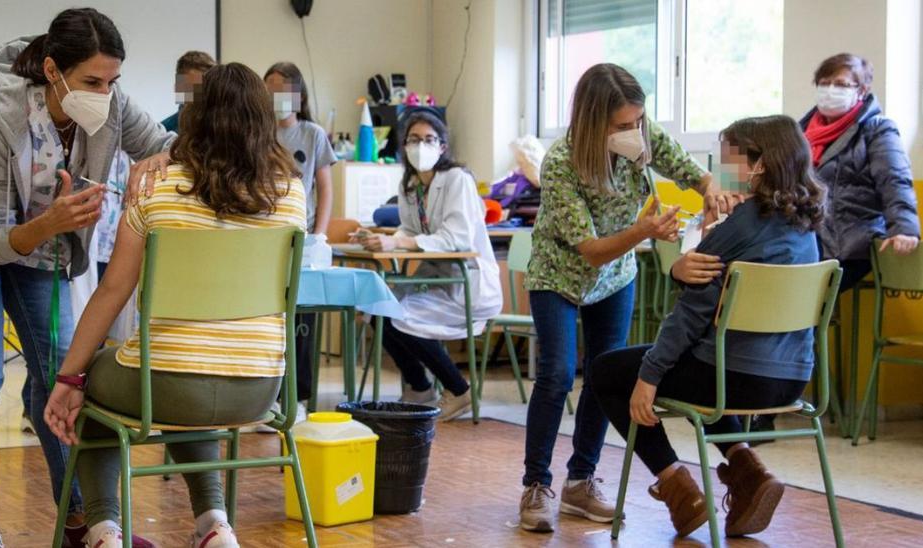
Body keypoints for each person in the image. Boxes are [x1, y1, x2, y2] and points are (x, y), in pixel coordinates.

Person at [0, 8, 173, 548]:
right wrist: (49, 223)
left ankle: (80, 518)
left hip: (37, 234)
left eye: (112, 81)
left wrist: (156, 163)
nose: (105, 93)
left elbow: (164, 147)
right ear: (52, 71)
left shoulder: (110, 103)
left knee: (61, 370)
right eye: (92, 82)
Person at [43, 62, 305, 548]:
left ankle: (103, 530)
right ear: (264, 120)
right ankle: (214, 526)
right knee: (195, 378)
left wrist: (68, 379)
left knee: (94, 387)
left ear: (195, 117)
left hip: (163, 385)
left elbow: (111, 291)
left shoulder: (155, 189)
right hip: (260, 390)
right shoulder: (291, 194)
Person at [590, 115, 827, 538]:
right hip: (793, 381)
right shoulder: (806, 224)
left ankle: (681, 491)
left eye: (726, 158)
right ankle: (748, 470)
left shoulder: (739, 225)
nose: (717, 169)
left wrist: (649, 375)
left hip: (733, 378)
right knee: (707, 366)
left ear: (758, 165)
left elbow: (690, 316)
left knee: (608, 371)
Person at [519, 63, 728, 533]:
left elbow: (692, 172)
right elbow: (590, 251)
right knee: (555, 375)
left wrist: (712, 189)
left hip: (615, 276)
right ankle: (536, 485)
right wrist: (643, 231)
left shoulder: (643, 133)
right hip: (560, 274)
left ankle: (580, 481)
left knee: (603, 373)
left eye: (638, 121)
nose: (634, 132)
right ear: (593, 121)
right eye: (622, 126)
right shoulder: (561, 163)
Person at [744, 53, 921, 437]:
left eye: (843, 84)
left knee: (792, 308)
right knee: (756, 296)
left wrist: (904, 226)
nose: (832, 90)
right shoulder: (800, 129)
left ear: (863, 89)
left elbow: (896, 180)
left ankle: (769, 405)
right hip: (804, 243)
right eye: (826, 82)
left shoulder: (876, 130)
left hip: (849, 245)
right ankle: (755, 396)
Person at [353, 110, 502, 422]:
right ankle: (420, 388)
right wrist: (381, 238)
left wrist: (397, 243)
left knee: (398, 317)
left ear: (443, 146)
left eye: (430, 140)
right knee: (375, 311)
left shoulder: (457, 180)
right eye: (415, 140)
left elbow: (456, 238)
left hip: (467, 287)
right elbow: (410, 230)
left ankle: (458, 389)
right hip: (435, 279)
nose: (422, 146)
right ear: (404, 146)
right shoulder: (409, 184)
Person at [265, 61, 337, 419]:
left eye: (282, 90)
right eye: (269, 91)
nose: (275, 98)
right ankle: (269, 396)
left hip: (303, 240)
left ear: (298, 94)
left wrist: (319, 235)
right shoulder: (257, 132)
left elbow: (324, 189)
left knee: (302, 322)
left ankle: (300, 397)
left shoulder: (313, 134)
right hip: (264, 241)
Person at [160, 51, 216, 133]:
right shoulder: (163, 132)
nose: (203, 94)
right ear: (179, 87)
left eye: (205, 87)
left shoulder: (226, 128)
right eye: (195, 87)